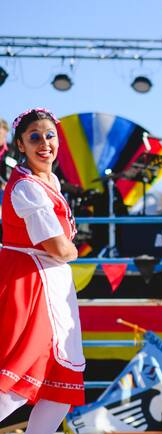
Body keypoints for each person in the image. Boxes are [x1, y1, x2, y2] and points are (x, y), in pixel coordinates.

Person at [0, 108, 85, 433]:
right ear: (21, 145)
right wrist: (71, 250)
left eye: (50, 135)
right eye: (34, 137)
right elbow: (60, 248)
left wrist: (65, 249)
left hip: (52, 285)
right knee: (17, 380)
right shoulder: (26, 187)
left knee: (59, 387)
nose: (44, 143)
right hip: (30, 283)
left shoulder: (49, 181)